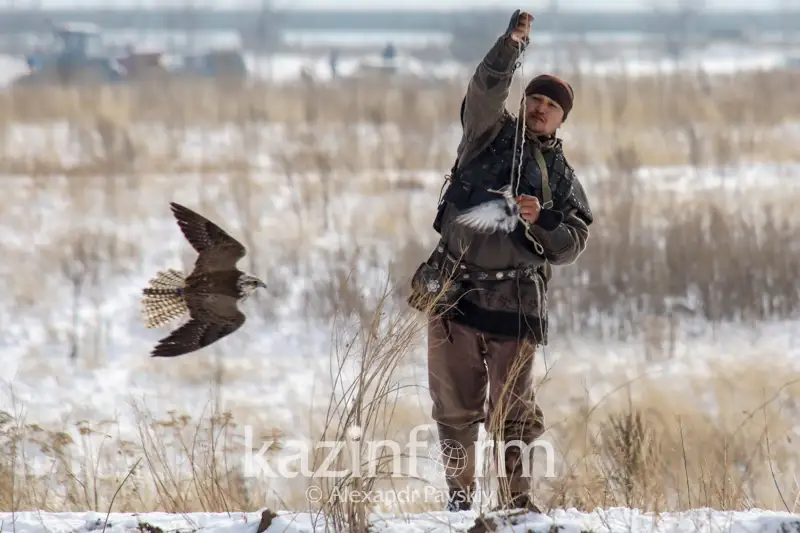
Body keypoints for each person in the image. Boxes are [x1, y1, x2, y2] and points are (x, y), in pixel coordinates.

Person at [408, 9, 593, 513]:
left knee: (513, 414)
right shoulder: (487, 135)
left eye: (550, 105)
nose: (539, 109)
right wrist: (510, 47)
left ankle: (517, 508)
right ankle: (460, 505)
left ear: (561, 118)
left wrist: (543, 221)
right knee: (454, 412)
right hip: (453, 290)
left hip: (516, 301)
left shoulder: (561, 175)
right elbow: (484, 90)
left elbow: (576, 240)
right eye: (534, 99)